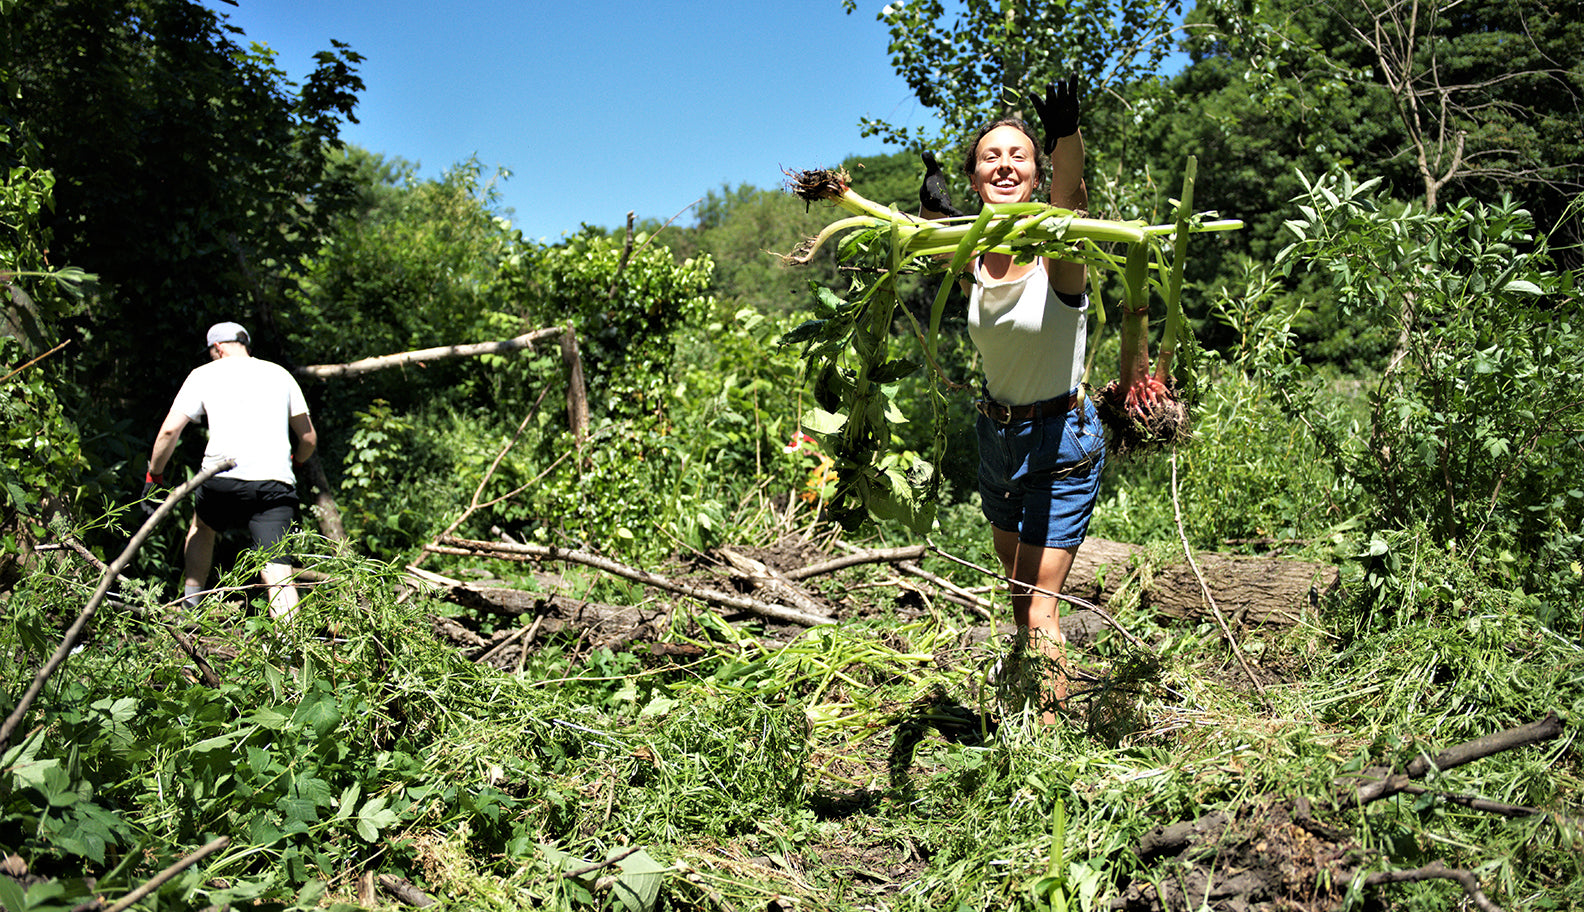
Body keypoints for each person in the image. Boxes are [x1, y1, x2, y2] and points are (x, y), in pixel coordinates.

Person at [919, 77, 1105, 720]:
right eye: (989, 158)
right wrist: (936, 218)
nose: (1003, 164)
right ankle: (1031, 708)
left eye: (1018, 155)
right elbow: (944, 243)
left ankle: (1045, 751)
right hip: (995, 440)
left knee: (1041, 602)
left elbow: (1072, 199)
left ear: (1035, 173)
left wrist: (1067, 137)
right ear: (974, 177)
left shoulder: (1060, 255)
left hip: (1062, 439)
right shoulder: (969, 260)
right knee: (1019, 595)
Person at [144, 321, 317, 619]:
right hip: (273, 484)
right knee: (277, 568)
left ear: (218, 347)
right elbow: (308, 438)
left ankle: (191, 607)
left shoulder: (204, 374)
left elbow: (169, 432)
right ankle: (290, 651)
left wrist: (154, 476)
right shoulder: (280, 374)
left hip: (220, 482)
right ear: (245, 344)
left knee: (202, 527)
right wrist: (297, 462)